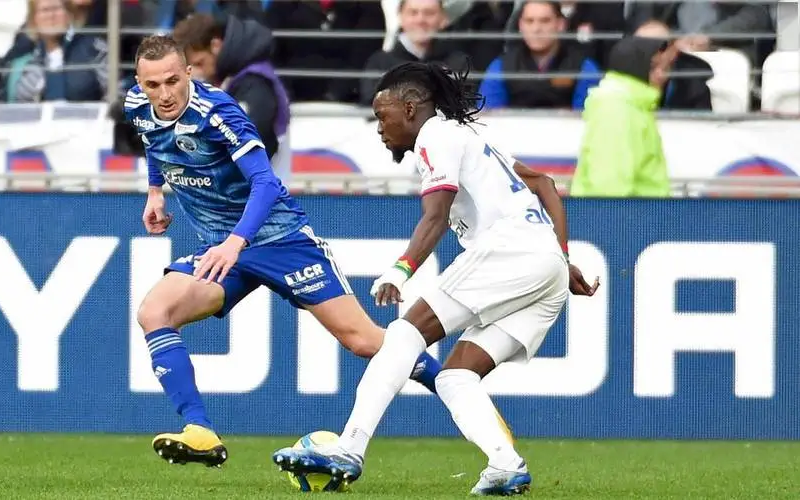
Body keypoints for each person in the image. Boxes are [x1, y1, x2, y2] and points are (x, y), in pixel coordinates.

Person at [272, 61, 599, 495]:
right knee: (454, 376)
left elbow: (437, 214)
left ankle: (349, 448)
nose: (379, 127)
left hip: (509, 252)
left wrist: (401, 268)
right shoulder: (472, 137)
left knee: (403, 335)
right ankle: (505, 464)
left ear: (410, 109)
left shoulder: (435, 136)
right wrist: (559, 258)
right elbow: (544, 184)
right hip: (543, 264)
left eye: (382, 115)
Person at [124, 35, 445, 467]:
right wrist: (155, 191)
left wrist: (236, 241)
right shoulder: (137, 106)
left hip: (279, 239)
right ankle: (200, 431)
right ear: (139, 83)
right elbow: (155, 142)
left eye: (171, 82)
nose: (163, 94)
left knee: (364, 341)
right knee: (154, 312)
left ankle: (458, 389)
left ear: (189, 73)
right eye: (152, 85)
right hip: (221, 248)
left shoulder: (218, 113)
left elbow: (266, 183)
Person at [172, 13, 293, 184]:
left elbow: (248, 145)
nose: (199, 73)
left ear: (215, 45)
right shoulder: (233, 80)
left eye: (200, 63)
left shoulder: (254, 84)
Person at [569, 37, 677, 197]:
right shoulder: (617, 108)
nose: (662, 76)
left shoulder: (633, 104)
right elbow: (610, 183)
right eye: (654, 67)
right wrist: (619, 213)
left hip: (640, 210)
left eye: (666, 68)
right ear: (635, 66)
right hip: (626, 211)